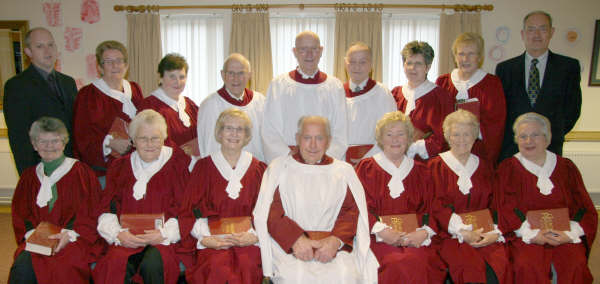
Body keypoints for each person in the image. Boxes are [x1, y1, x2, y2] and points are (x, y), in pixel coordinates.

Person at [254, 116, 378, 284]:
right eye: (307, 138)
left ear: (328, 141)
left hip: (334, 248)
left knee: (345, 276)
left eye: (319, 138)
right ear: (297, 139)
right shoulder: (279, 168)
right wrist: (295, 240)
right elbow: (271, 211)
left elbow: (351, 211)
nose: (313, 145)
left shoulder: (343, 171)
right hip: (291, 248)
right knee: (294, 278)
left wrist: (335, 241)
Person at [497, 112, 597, 284]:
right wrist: (532, 234)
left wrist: (570, 233)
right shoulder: (507, 169)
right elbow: (504, 207)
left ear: (547, 138)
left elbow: (584, 207)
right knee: (526, 265)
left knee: (575, 264)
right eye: (523, 136)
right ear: (516, 140)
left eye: (535, 135)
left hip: (564, 233)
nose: (529, 141)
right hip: (526, 236)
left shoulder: (567, 168)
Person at [93, 110, 190, 284]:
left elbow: (187, 209)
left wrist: (164, 234)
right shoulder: (119, 167)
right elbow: (106, 207)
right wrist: (118, 234)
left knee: (152, 264)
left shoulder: (178, 164)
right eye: (143, 138)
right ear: (133, 141)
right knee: (115, 264)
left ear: (164, 139)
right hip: (126, 237)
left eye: (155, 138)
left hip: (163, 241)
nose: (149, 144)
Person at [355, 111, 446, 283]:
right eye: (389, 134)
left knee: (421, 262)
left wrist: (424, 232)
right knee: (393, 263)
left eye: (401, 134)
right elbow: (359, 207)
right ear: (380, 139)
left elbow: (434, 208)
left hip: (415, 238)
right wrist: (382, 231)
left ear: (409, 138)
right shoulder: (366, 169)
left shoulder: (422, 171)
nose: (395, 139)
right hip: (378, 239)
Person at [9, 117, 101, 284]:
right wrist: (34, 236)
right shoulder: (28, 177)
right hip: (37, 240)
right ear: (34, 145)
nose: (49, 146)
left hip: (73, 239)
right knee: (23, 266)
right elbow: (20, 214)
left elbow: (92, 210)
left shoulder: (82, 173)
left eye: (55, 141)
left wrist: (69, 235)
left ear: (64, 142)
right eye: (43, 141)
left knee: (65, 266)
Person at [180, 108, 267, 284]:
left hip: (247, 239)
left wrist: (254, 235)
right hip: (213, 239)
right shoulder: (203, 168)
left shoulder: (259, 169)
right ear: (219, 132)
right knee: (215, 266)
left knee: (248, 265)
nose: (234, 134)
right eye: (228, 128)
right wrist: (205, 238)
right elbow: (189, 210)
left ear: (247, 135)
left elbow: (267, 210)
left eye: (240, 129)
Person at [429, 110, 512, 284]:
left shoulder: (485, 166)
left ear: (475, 136)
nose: (461, 139)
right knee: (470, 269)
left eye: (466, 134)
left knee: (500, 265)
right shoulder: (434, 167)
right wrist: (462, 231)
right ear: (447, 137)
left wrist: (494, 232)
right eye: (456, 134)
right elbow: (434, 206)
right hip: (450, 236)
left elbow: (496, 203)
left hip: (485, 233)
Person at [496, 11, 581, 162]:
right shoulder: (505, 69)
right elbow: (500, 112)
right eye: (531, 29)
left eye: (542, 29)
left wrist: (548, 136)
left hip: (550, 149)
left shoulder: (568, 67)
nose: (536, 34)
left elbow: (572, 110)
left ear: (551, 32)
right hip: (512, 150)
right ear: (523, 34)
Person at [261, 31, 348, 163]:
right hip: (289, 162)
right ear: (295, 52)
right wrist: (289, 158)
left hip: (324, 164)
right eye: (303, 49)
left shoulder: (335, 86)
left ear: (321, 51)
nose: (309, 54)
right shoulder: (278, 85)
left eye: (314, 49)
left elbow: (341, 130)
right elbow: (269, 129)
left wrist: (323, 159)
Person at [3, 27, 77, 175]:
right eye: (40, 46)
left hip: (70, 165)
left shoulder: (68, 82)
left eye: (51, 45)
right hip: (41, 168)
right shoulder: (17, 85)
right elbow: (19, 137)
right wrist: (29, 176)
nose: (47, 51)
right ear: (28, 52)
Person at [72, 40, 144, 184]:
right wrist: (110, 144)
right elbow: (81, 136)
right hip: (105, 171)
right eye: (108, 61)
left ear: (126, 65)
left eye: (119, 60)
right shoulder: (88, 94)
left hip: (136, 166)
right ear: (100, 67)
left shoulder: (135, 89)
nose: (115, 65)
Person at [436, 32, 506, 165]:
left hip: (478, 154)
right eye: (461, 54)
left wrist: (468, 130)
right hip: (448, 152)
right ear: (455, 57)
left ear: (479, 57)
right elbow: (436, 119)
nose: (465, 59)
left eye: (471, 54)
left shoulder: (492, 84)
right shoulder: (443, 82)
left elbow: (496, 123)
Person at [197, 53, 265, 161]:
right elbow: (208, 146)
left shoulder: (260, 101)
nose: (236, 78)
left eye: (241, 73)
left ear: (250, 75)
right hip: (223, 172)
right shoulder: (209, 105)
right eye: (231, 73)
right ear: (222, 75)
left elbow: (266, 140)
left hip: (255, 170)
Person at [393, 41, 453, 161]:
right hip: (396, 160)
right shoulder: (395, 94)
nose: (412, 68)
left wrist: (414, 147)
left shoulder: (441, 97)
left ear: (428, 67)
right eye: (408, 63)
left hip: (428, 163)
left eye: (418, 64)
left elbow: (446, 136)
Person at [343, 42, 396, 166]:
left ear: (371, 64)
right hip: (342, 160)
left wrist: (367, 159)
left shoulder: (382, 93)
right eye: (352, 62)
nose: (357, 67)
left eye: (362, 62)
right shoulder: (337, 92)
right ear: (346, 64)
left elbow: (389, 131)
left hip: (374, 160)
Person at [140, 53, 199, 158]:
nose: (178, 82)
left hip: (193, 167)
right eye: (172, 76)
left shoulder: (190, 105)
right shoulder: (149, 107)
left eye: (182, 77)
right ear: (161, 77)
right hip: (166, 169)